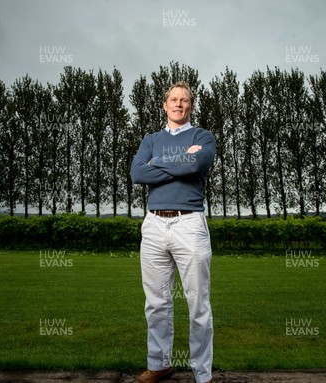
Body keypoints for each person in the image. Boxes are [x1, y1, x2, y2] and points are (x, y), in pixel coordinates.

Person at [130, 81, 215, 383]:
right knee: (156, 302)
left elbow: (197, 161)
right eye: (173, 100)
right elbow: (138, 172)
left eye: (185, 100)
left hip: (189, 223)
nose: (179, 104)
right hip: (153, 224)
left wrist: (159, 164)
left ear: (191, 106)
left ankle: (202, 374)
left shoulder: (203, 136)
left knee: (197, 304)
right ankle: (159, 364)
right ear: (164, 105)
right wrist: (180, 161)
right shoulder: (151, 139)